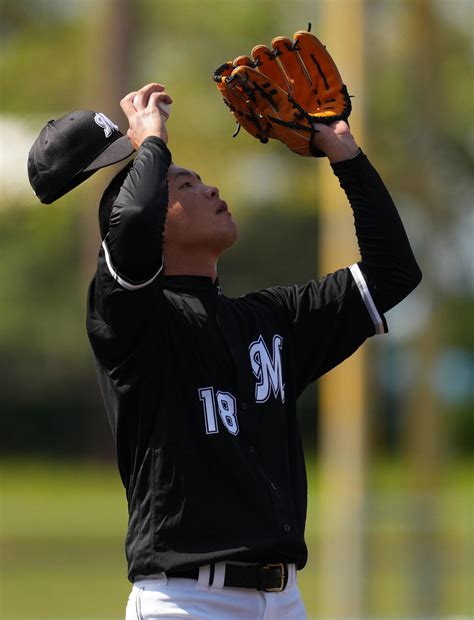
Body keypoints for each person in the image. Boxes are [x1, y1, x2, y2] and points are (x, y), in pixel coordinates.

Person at [86, 82, 421, 619]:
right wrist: (151, 144)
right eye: (185, 184)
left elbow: (393, 274)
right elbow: (127, 224)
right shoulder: (130, 322)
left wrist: (345, 154)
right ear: (151, 221)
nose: (210, 188)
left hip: (283, 599)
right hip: (186, 600)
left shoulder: (272, 321)